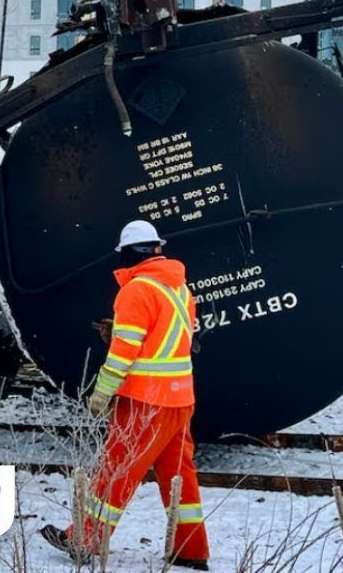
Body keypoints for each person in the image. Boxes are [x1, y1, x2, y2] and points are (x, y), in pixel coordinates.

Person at [41, 220, 210, 570]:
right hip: (180, 399)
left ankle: (83, 540)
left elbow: (122, 355)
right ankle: (191, 550)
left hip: (145, 402)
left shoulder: (136, 290)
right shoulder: (179, 288)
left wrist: (101, 394)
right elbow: (169, 338)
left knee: (117, 469)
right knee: (179, 475)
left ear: (128, 254)